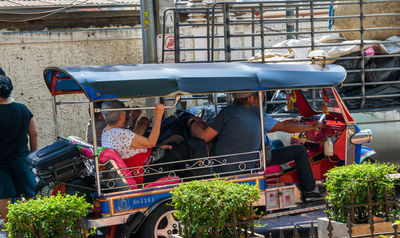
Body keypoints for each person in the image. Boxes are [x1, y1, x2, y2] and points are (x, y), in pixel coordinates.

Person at [190, 92, 323, 201]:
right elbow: (204, 137)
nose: (263, 99)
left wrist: (292, 122)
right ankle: (310, 190)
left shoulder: (228, 113)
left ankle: (288, 174)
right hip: (246, 163)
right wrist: (311, 126)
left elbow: (275, 126)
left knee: (277, 144)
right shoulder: (257, 114)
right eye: (261, 97)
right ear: (251, 98)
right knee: (299, 150)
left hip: (223, 162)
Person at [0, 73, 38, 223]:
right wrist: (33, 154)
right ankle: (33, 226)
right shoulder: (22, 109)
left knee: (4, 195)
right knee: (29, 191)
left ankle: (13, 230)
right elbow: (34, 133)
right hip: (21, 158)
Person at [101, 100, 168, 183]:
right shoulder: (121, 133)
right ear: (122, 116)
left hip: (134, 169)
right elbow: (151, 142)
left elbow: (129, 137)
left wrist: (133, 118)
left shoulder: (106, 132)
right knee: (182, 148)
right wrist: (158, 116)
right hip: (141, 173)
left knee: (171, 145)